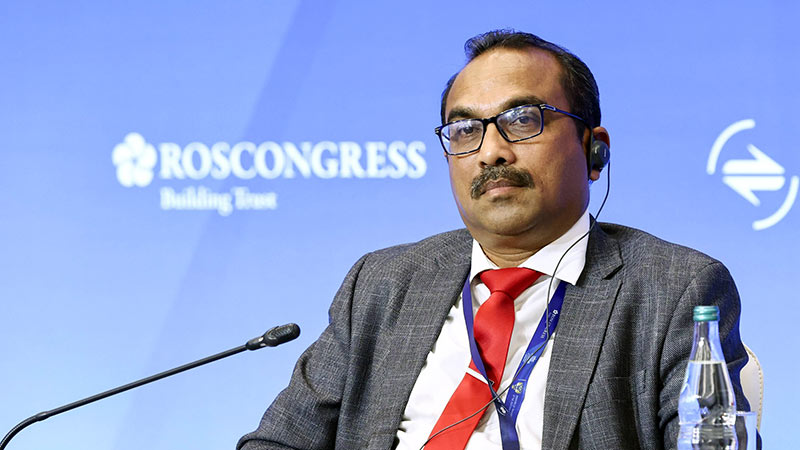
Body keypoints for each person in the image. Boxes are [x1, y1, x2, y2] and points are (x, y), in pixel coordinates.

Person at [238, 30, 753, 450]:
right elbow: (280, 442)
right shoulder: (382, 283)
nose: (491, 152)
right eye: (464, 129)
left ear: (593, 151)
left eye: (522, 120)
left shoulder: (674, 288)